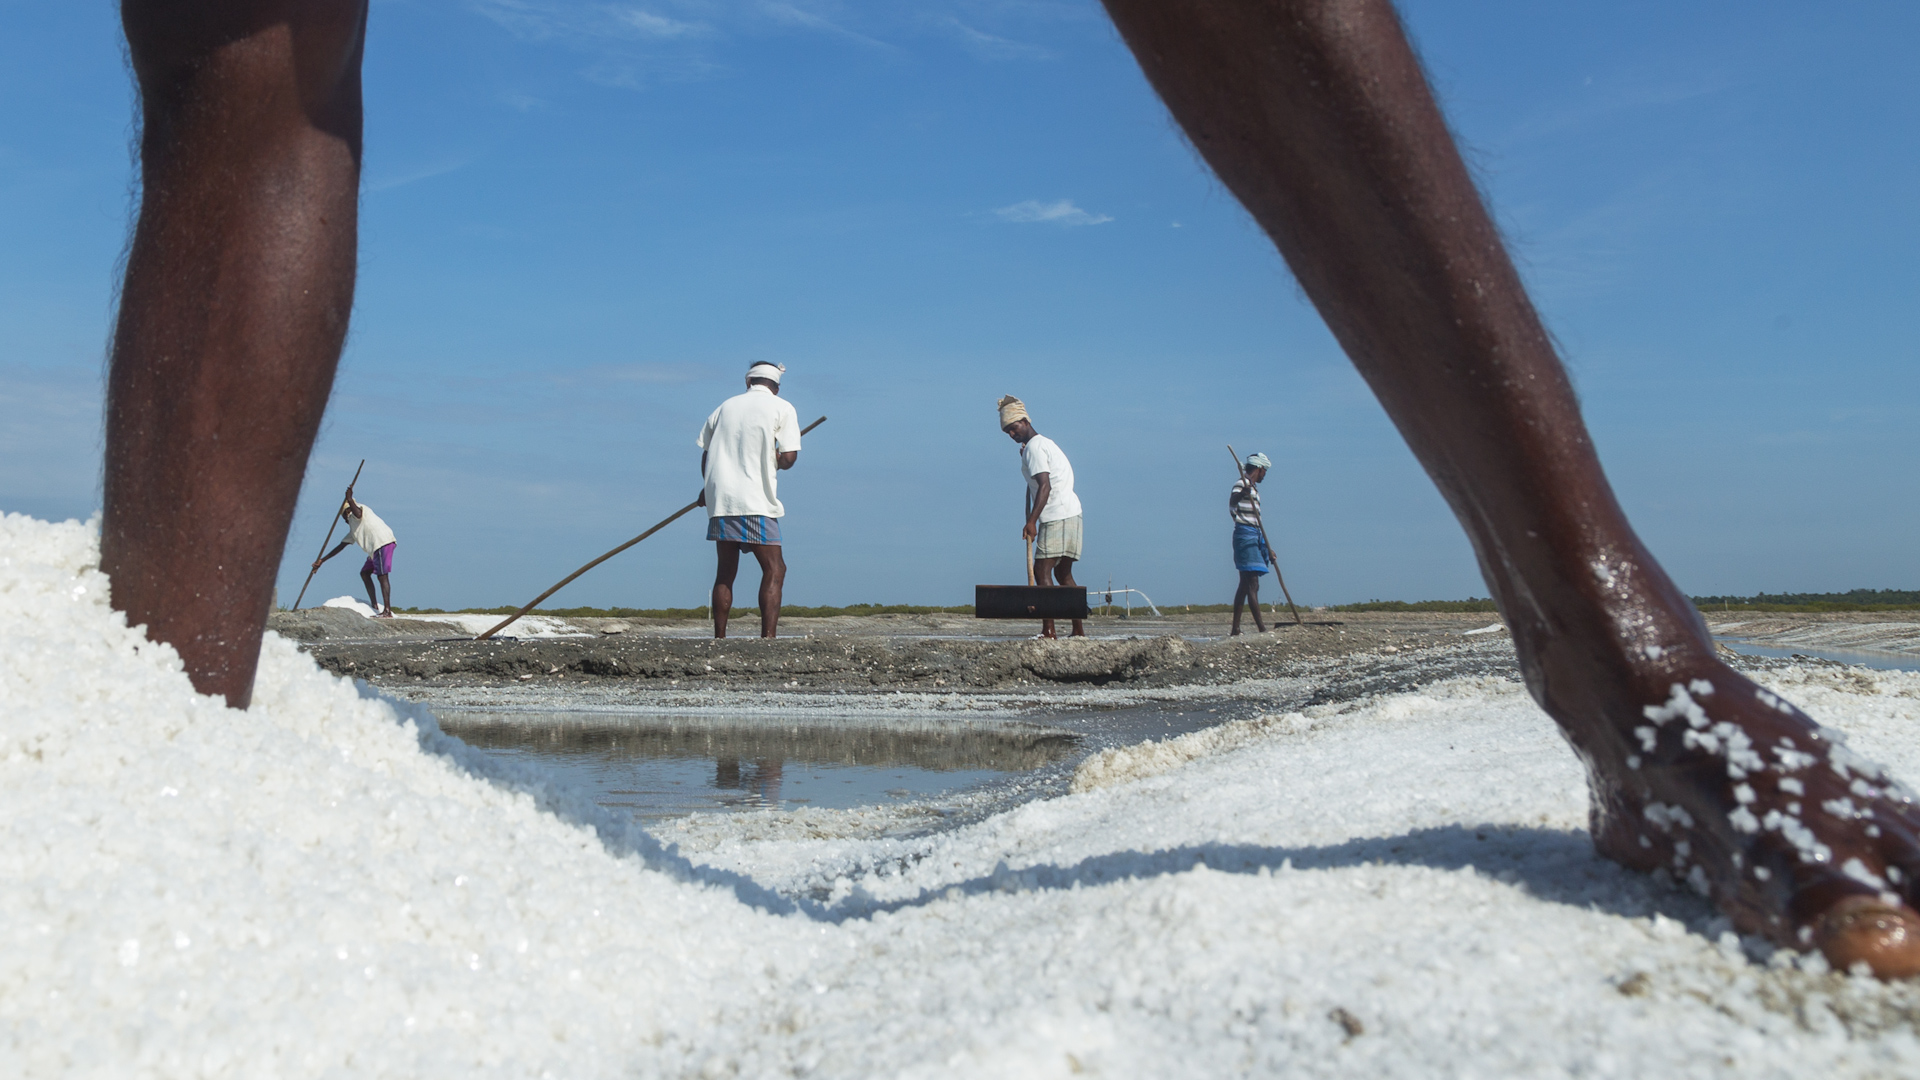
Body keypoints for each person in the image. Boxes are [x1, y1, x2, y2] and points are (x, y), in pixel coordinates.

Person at [102, 0, 1920, 975]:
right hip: (773, 511)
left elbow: (783, 466)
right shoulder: (790, 417)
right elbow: (785, 460)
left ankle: (1624, 662)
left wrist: (831, 466)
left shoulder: (811, 422)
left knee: (782, 577)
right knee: (236, 35)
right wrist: (801, 453)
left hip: (778, 519)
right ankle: (164, 758)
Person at [697, 362, 802, 639]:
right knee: (775, 568)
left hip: (721, 502)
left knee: (725, 572)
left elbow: (707, 456)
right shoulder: (782, 407)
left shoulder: (724, 407)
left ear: (749, 383)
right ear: (775, 387)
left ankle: (719, 639)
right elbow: (789, 458)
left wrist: (706, 489)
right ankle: (768, 640)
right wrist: (774, 459)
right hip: (754, 501)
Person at [998, 395, 1085, 639]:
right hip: (1073, 513)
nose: (1012, 435)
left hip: (1056, 513)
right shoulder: (1045, 444)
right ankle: (1078, 630)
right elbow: (1039, 483)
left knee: (1042, 571)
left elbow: (1044, 487)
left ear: (1025, 421)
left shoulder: (1034, 448)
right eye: (1007, 433)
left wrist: (1031, 521)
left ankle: (1048, 631)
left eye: (1013, 429)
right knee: (1063, 575)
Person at [310, 488, 397, 617]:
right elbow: (341, 546)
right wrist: (322, 560)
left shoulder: (358, 511)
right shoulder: (354, 528)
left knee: (382, 576)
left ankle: (387, 611)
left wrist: (350, 499)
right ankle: (374, 606)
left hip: (381, 542)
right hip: (374, 549)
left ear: (346, 512)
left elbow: (358, 514)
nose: (345, 520)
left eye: (344, 516)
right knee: (365, 573)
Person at [1230, 453, 1274, 636]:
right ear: (1259, 469)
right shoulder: (1241, 484)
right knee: (1252, 584)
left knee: (1244, 584)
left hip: (1254, 535)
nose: (1265, 476)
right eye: (1265, 472)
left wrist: (1267, 547)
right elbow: (1232, 503)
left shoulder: (1254, 490)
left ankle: (1235, 629)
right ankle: (1262, 629)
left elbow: (1258, 521)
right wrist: (1242, 494)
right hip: (1245, 537)